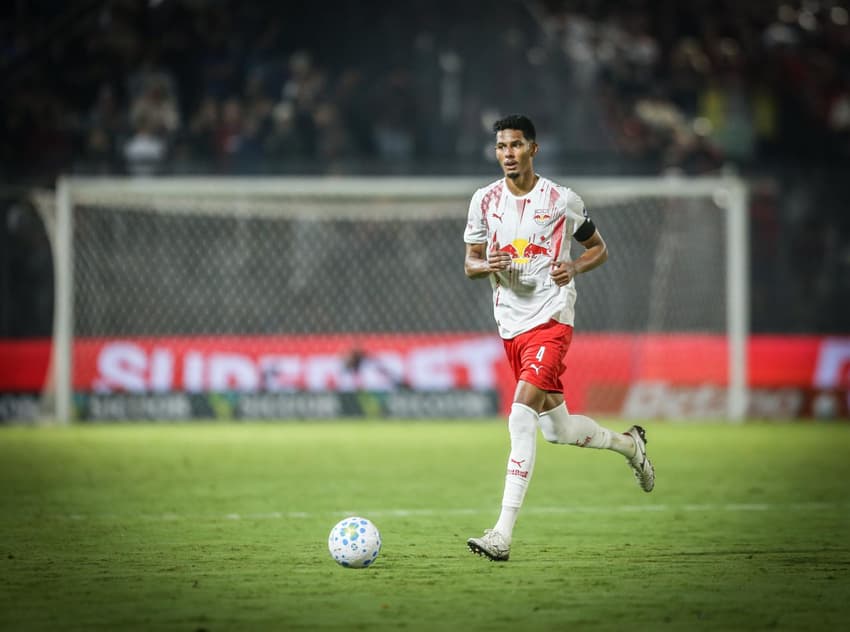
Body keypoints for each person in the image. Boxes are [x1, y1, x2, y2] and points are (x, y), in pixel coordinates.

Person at [463, 114, 655, 562]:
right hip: (510, 325)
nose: (508, 154)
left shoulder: (561, 199)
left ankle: (501, 534)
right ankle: (630, 445)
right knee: (558, 430)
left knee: (519, 416)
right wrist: (487, 265)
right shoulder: (484, 200)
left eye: (515, 145)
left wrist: (574, 266)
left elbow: (598, 248)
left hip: (551, 319)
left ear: (533, 149)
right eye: (501, 147)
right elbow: (470, 262)